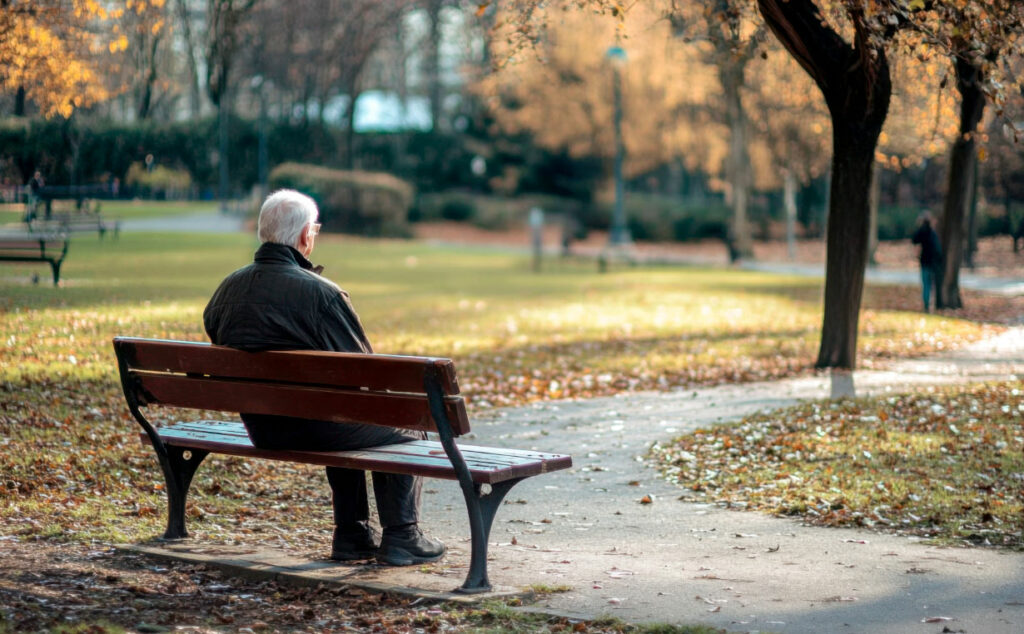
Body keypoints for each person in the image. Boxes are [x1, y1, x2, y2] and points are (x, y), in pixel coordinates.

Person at [203, 189, 445, 565]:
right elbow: (364, 374)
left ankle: (353, 533)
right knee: (405, 424)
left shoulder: (226, 290)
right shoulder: (323, 296)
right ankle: (402, 536)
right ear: (304, 237)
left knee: (334, 407)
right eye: (314, 228)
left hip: (263, 427)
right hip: (311, 427)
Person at [910, 211, 943, 312]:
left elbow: (914, 239)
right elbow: (937, 249)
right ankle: (929, 304)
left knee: (926, 285)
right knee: (930, 285)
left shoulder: (922, 232)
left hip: (925, 262)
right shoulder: (932, 233)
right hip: (932, 263)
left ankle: (926, 305)